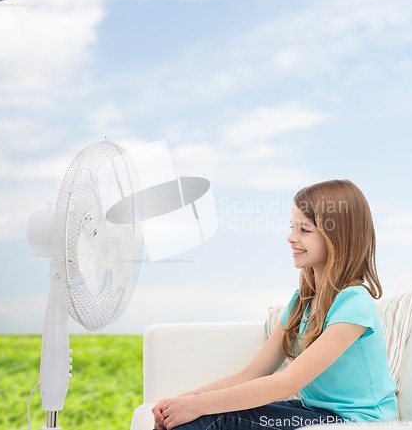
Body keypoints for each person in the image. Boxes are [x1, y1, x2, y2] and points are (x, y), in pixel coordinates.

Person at [152, 179, 398, 430]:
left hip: (353, 422)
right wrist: (183, 401)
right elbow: (249, 375)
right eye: (292, 227)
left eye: (305, 230)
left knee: (208, 418)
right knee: (192, 417)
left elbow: (287, 383)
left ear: (338, 235)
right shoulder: (302, 301)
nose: (291, 238)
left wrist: (198, 406)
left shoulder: (353, 302)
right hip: (312, 411)